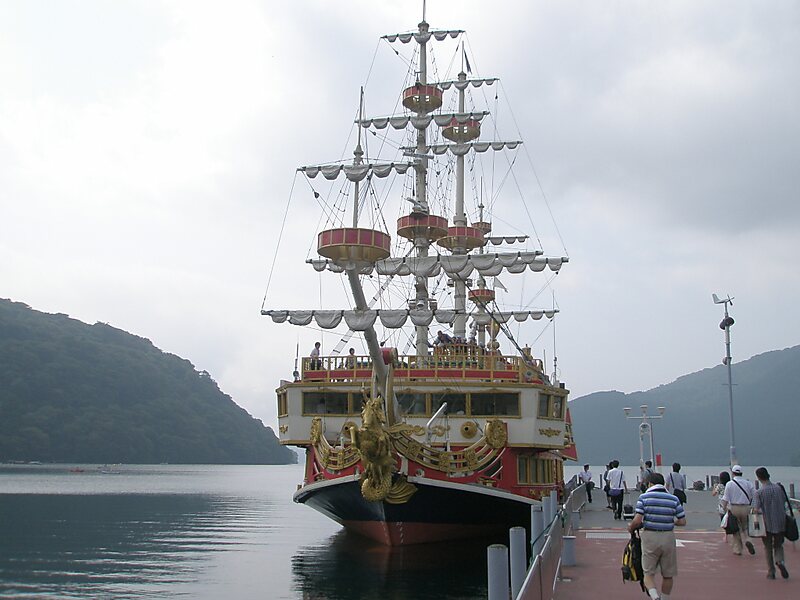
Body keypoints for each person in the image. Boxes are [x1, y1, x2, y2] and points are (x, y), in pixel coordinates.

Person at [628, 472, 687, 600]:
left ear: (650, 483)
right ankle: (664, 598)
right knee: (668, 574)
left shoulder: (644, 497)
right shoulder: (673, 499)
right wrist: (671, 521)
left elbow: (637, 520)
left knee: (648, 573)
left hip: (650, 537)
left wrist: (631, 527)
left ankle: (655, 597)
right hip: (668, 537)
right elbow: (682, 521)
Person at [754, 467, 789, 579]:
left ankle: (771, 571)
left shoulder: (759, 492)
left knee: (767, 547)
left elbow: (756, 509)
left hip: (766, 523)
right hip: (780, 521)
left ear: (758, 478)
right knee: (778, 545)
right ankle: (780, 561)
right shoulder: (779, 488)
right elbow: (784, 501)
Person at [721, 464, 757, 556]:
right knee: (746, 527)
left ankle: (738, 549)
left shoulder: (729, 484)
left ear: (733, 473)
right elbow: (755, 495)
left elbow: (725, 498)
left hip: (734, 508)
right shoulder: (748, 483)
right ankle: (749, 540)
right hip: (746, 507)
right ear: (741, 473)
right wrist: (753, 506)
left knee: (735, 529)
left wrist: (724, 508)